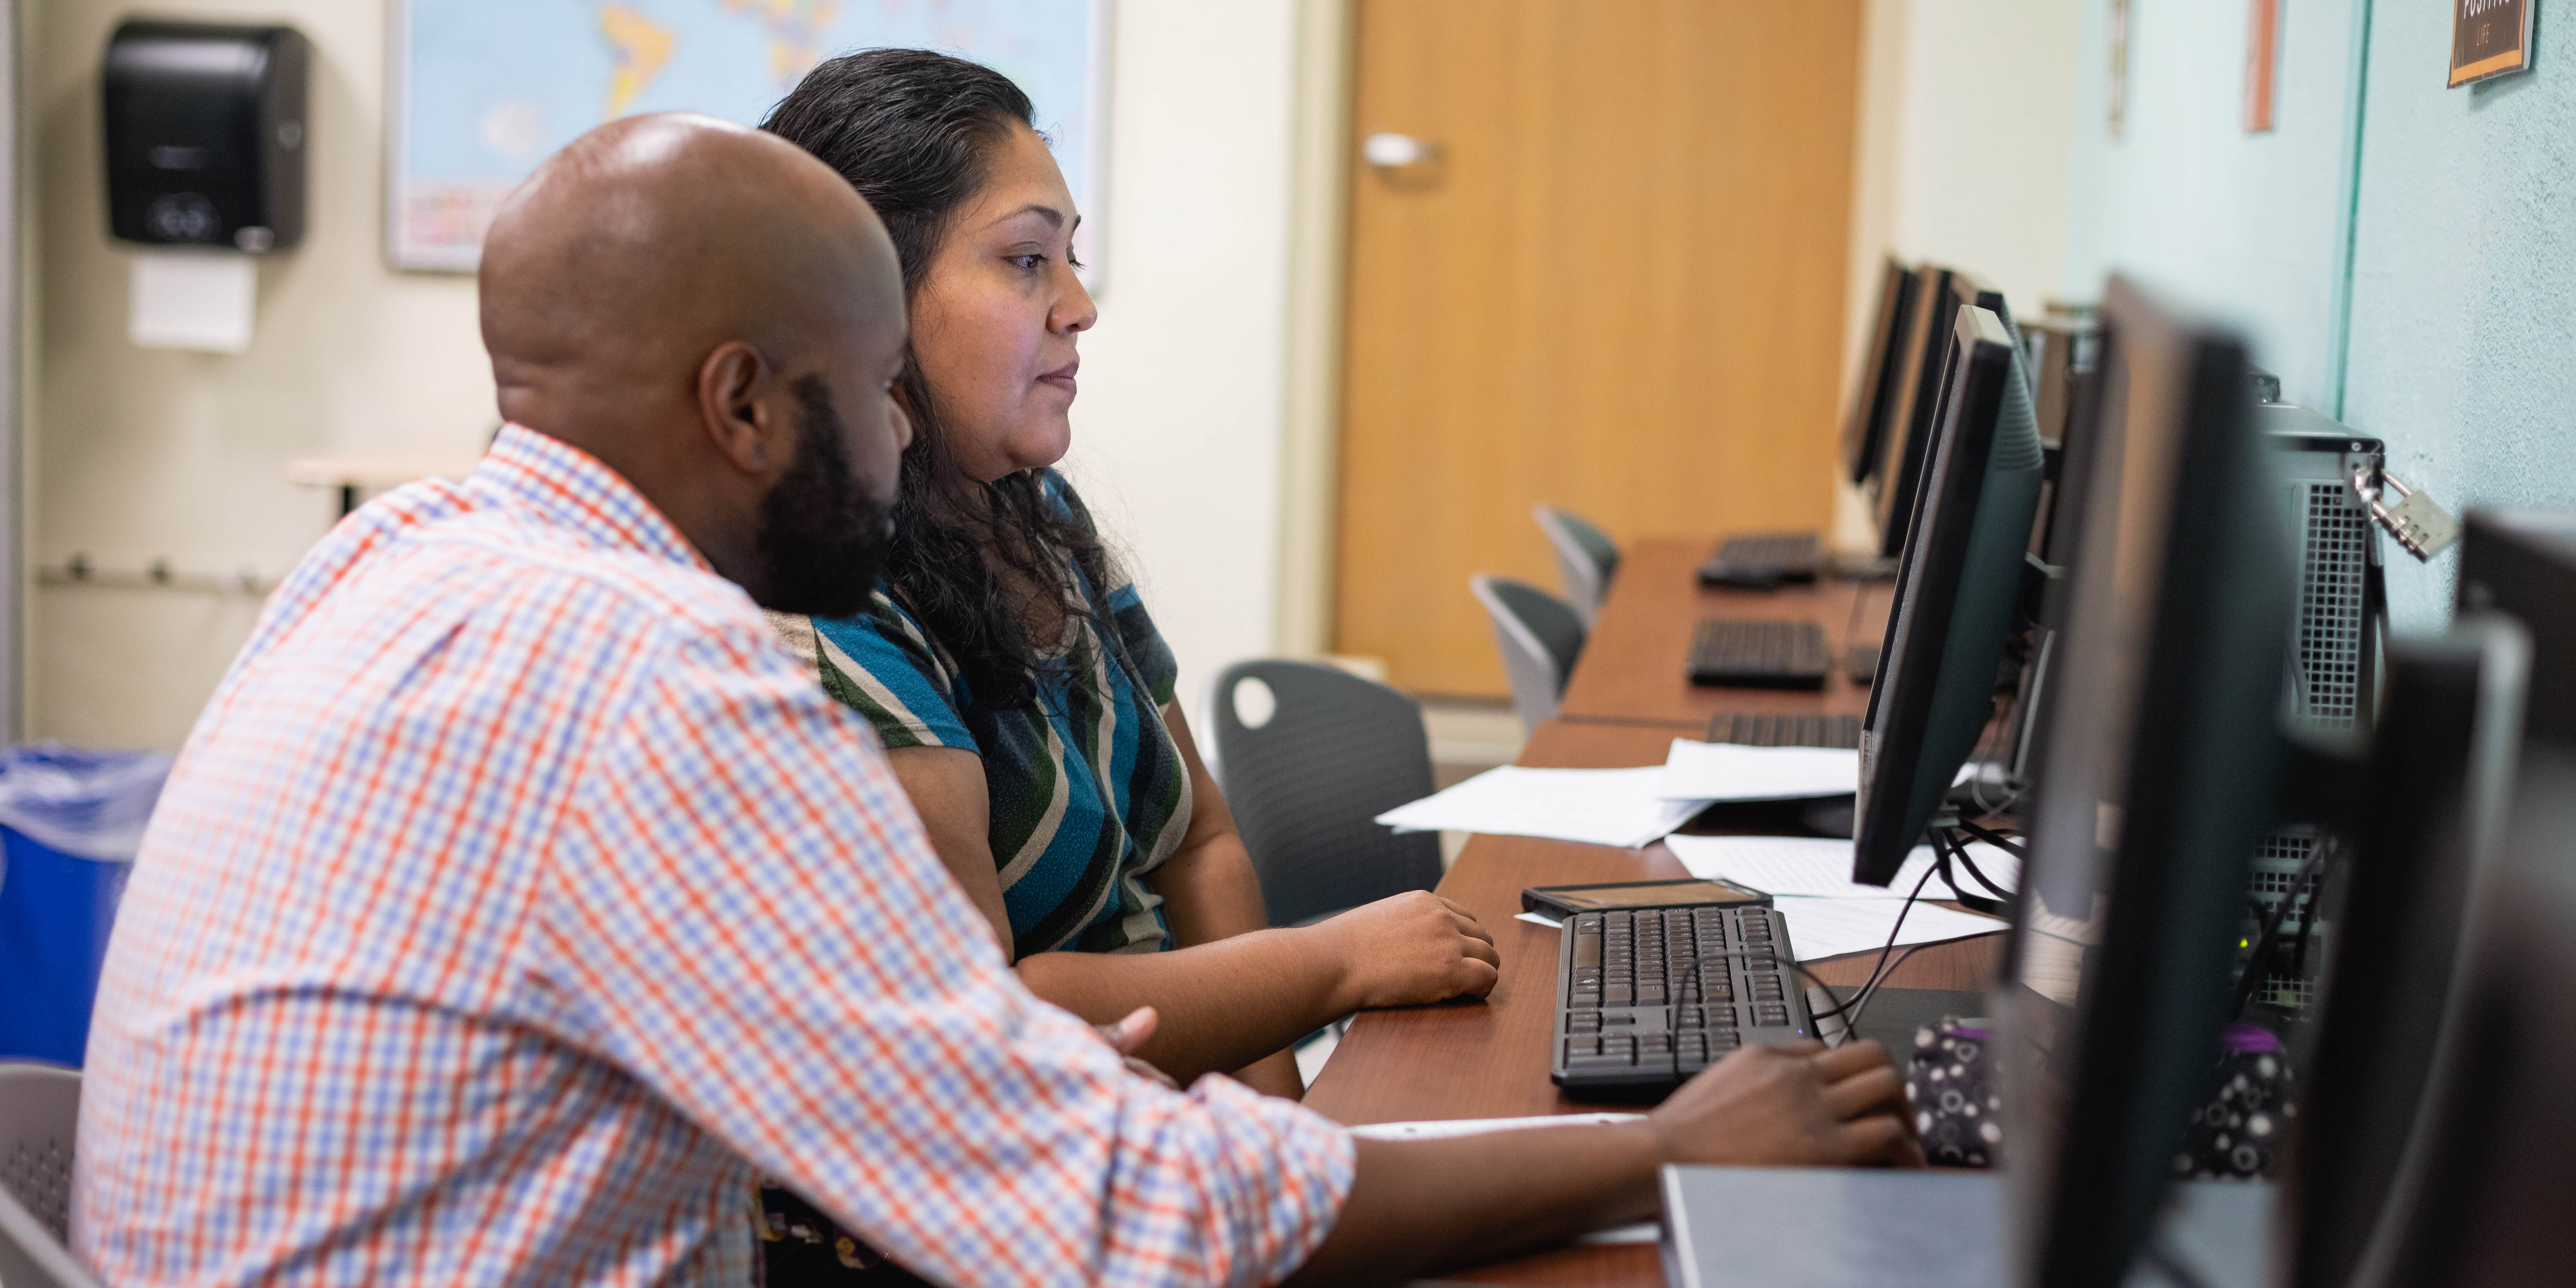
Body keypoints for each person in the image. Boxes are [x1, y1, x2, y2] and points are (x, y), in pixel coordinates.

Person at [73, 113, 1917, 1288]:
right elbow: (1126, 1226)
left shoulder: (396, 559)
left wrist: (1025, 1096)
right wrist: (1668, 1145)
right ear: (743, 406)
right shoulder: (671, 680)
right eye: (873, 390)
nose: (895, 444)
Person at [755, 47, 1480, 1106]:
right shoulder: (827, 608)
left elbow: (1204, 843)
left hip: (1183, 1115)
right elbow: (993, 1012)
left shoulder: (1037, 512)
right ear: (870, 297)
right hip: (1041, 1147)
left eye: (1073, 257)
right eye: (1026, 260)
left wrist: (1283, 1139)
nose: (1080, 305)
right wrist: (1336, 965)